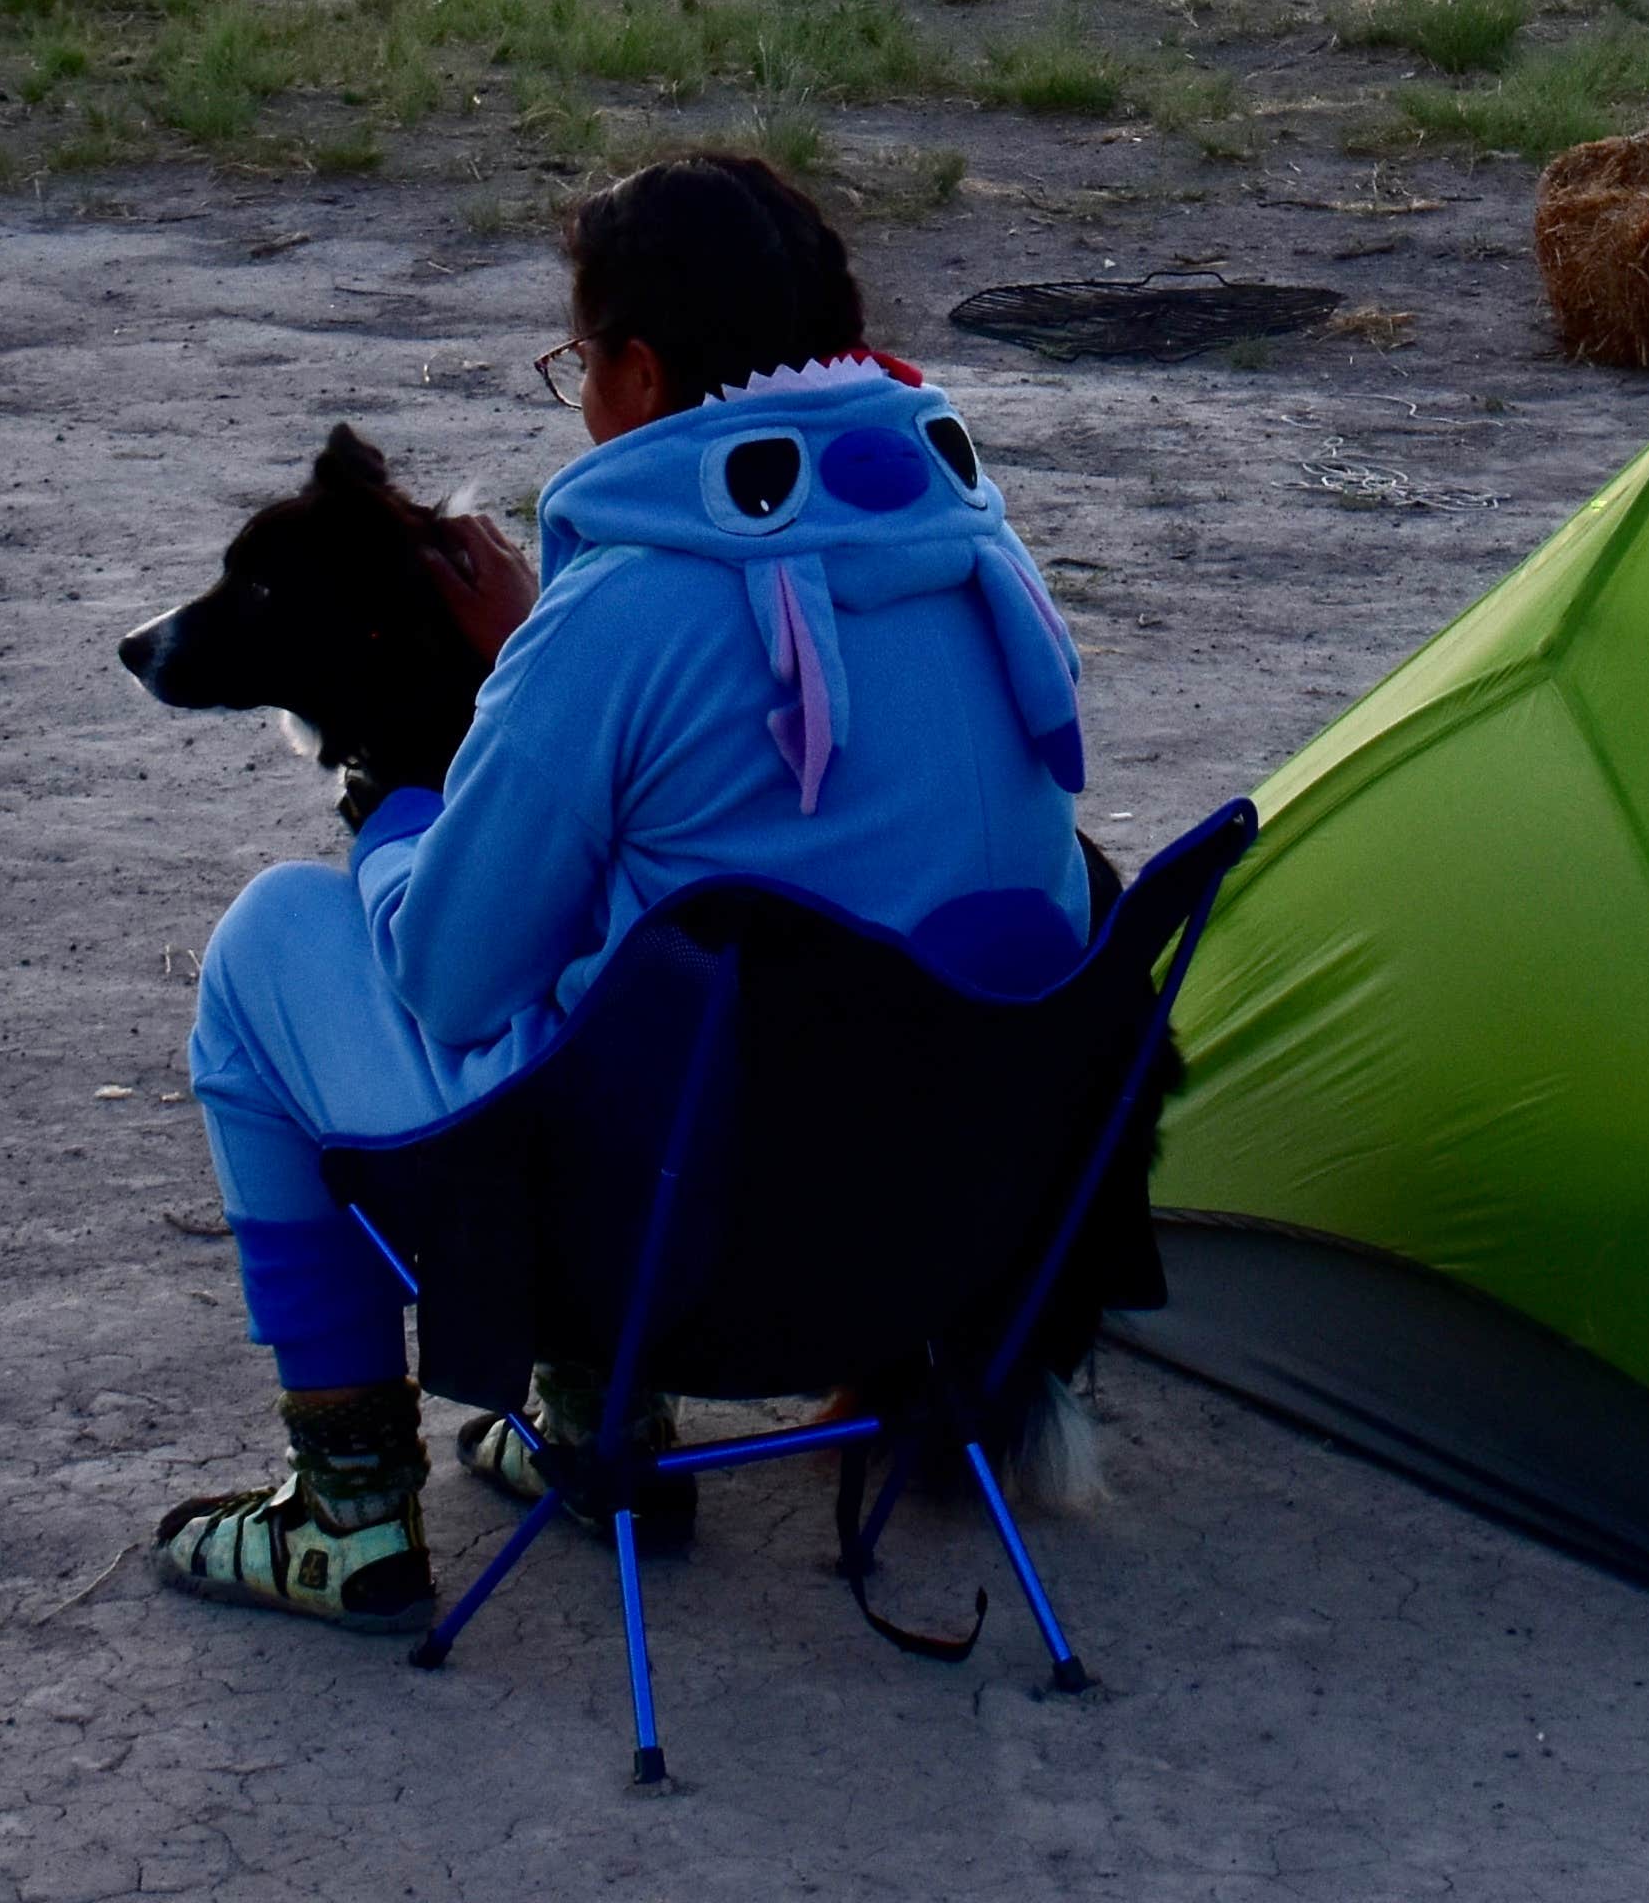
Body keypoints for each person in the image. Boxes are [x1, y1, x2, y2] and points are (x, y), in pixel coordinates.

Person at [155, 153, 1093, 1628]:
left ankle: (347, 1512)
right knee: (664, 943)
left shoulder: (622, 617)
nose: (578, 399)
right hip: (947, 1242)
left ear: (642, 377)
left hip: (690, 1264)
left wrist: (424, 789)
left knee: (278, 938)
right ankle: (593, 1426)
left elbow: (449, 981)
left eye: (577, 367)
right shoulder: (980, 546)